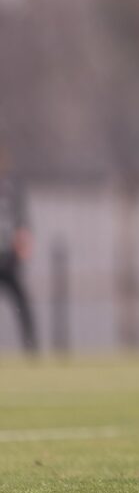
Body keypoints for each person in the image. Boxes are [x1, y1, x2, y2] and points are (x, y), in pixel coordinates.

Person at [0, 146, 37, 354]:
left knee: (21, 303)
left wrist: (24, 242)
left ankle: (30, 347)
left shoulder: (11, 187)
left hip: (8, 259)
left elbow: (22, 220)